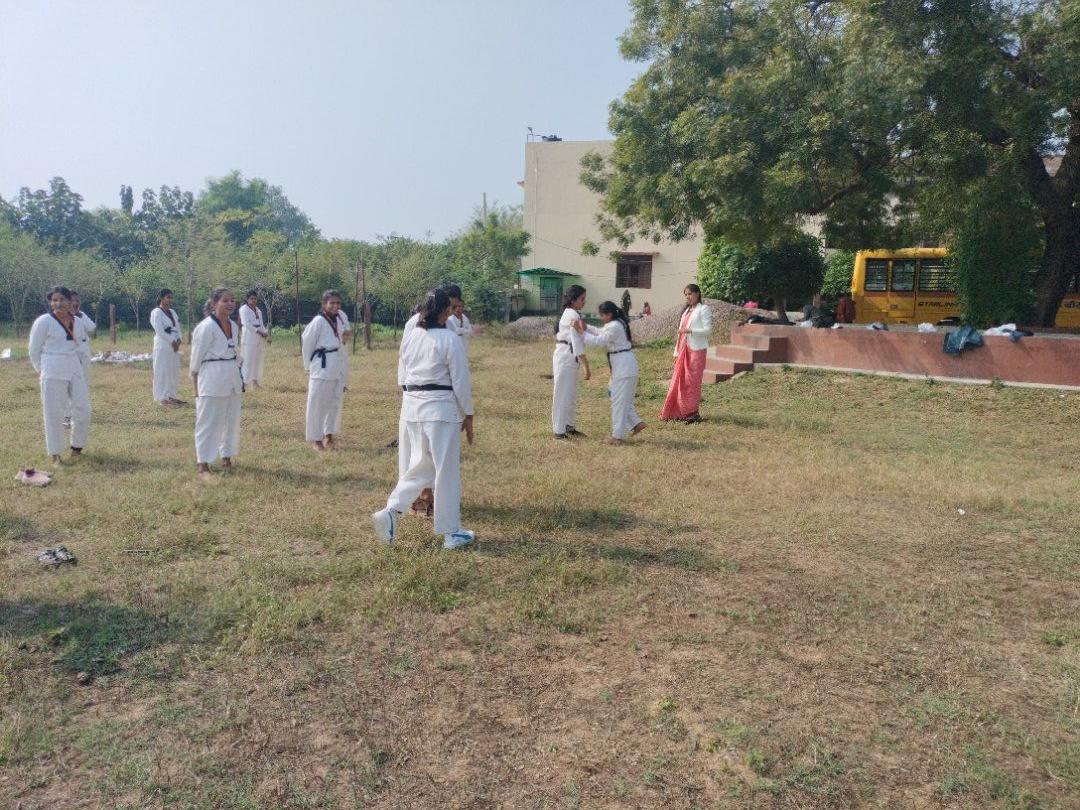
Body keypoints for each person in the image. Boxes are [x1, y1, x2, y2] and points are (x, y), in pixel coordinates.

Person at [372, 287, 475, 550]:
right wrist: (468, 412)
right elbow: (460, 379)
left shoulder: (412, 336)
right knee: (445, 470)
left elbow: (403, 372)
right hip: (439, 410)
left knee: (422, 465)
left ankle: (391, 511)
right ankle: (451, 532)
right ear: (445, 311)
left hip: (413, 408)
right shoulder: (449, 338)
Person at [399, 282, 462, 516]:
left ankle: (433, 496)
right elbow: (404, 359)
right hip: (415, 393)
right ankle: (418, 496)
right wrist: (407, 388)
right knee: (415, 450)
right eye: (449, 306)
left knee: (436, 451)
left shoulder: (450, 325)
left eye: (455, 307)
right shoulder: (414, 324)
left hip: (441, 396)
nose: (451, 312)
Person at [28, 286, 91, 462]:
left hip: (74, 367)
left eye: (62, 300)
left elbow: (80, 345)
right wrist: (43, 371)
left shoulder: (78, 321)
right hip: (52, 368)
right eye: (54, 300)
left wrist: (83, 366)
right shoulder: (44, 321)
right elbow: (34, 350)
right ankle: (55, 454)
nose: (58, 303)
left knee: (83, 409)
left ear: (70, 302)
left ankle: (77, 447)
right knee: (53, 413)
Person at [190, 287, 243, 479]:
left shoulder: (234, 326)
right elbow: (195, 358)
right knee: (208, 421)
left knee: (231, 418)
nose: (230, 304)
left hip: (232, 375)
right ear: (215, 303)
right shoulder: (205, 327)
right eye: (225, 300)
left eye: (232, 300)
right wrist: (195, 385)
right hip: (211, 376)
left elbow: (235, 350)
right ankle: (203, 464)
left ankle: (226, 455)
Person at [583, 301, 645, 444]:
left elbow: (599, 341)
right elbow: (601, 332)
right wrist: (587, 327)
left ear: (609, 314)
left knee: (619, 402)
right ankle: (636, 423)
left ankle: (617, 436)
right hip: (623, 366)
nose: (600, 318)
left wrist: (582, 333)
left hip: (624, 367)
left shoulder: (615, 326)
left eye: (602, 315)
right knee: (618, 397)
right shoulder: (615, 324)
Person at [301, 290, 349, 451]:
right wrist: (308, 366)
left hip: (338, 363)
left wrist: (345, 336)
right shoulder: (318, 321)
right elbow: (307, 343)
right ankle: (316, 439)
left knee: (334, 401)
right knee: (318, 403)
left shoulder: (341, 317)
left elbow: (346, 331)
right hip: (322, 364)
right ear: (324, 304)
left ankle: (329, 435)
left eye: (338, 303)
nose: (335, 306)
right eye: (332, 303)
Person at [660, 284, 712, 423]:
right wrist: (676, 353)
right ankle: (678, 412)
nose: (687, 297)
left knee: (692, 382)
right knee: (680, 381)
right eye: (686, 295)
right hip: (683, 350)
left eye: (690, 294)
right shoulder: (686, 311)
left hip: (696, 351)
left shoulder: (703, 309)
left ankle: (691, 414)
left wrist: (690, 331)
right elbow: (680, 334)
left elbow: (708, 331)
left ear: (697, 293)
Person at [551, 284, 591, 439]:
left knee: (571, 394)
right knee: (562, 394)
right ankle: (559, 431)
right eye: (582, 299)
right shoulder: (571, 314)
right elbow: (577, 341)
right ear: (573, 300)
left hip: (570, 358)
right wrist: (586, 365)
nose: (584, 302)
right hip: (565, 357)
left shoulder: (572, 313)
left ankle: (569, 426)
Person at [150, 289, 185, 406]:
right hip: (163, 344)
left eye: (171, 297)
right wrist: (172, 341)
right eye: (168, 297)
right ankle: (162, 398)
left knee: (173, 371)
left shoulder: (173, 312)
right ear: (161, 298)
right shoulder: (156, 312)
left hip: (174, 344)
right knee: (162, 371)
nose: (170, 299)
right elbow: (159, 330)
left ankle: (172, 396)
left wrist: (179, 339)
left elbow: (178, 327)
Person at [239, 291, 270, 388]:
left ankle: (255, 382)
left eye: (255, 298)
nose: (253, 300)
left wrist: (266, 334)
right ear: (247, 299)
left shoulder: (258, 310)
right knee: (247, 360)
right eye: (251, 298)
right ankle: (244, 382)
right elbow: (246, 324)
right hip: (248, 337)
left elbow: (261, 325)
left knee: (257, 360)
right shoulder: (243, 309)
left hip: (258, 338)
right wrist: (260, 332)